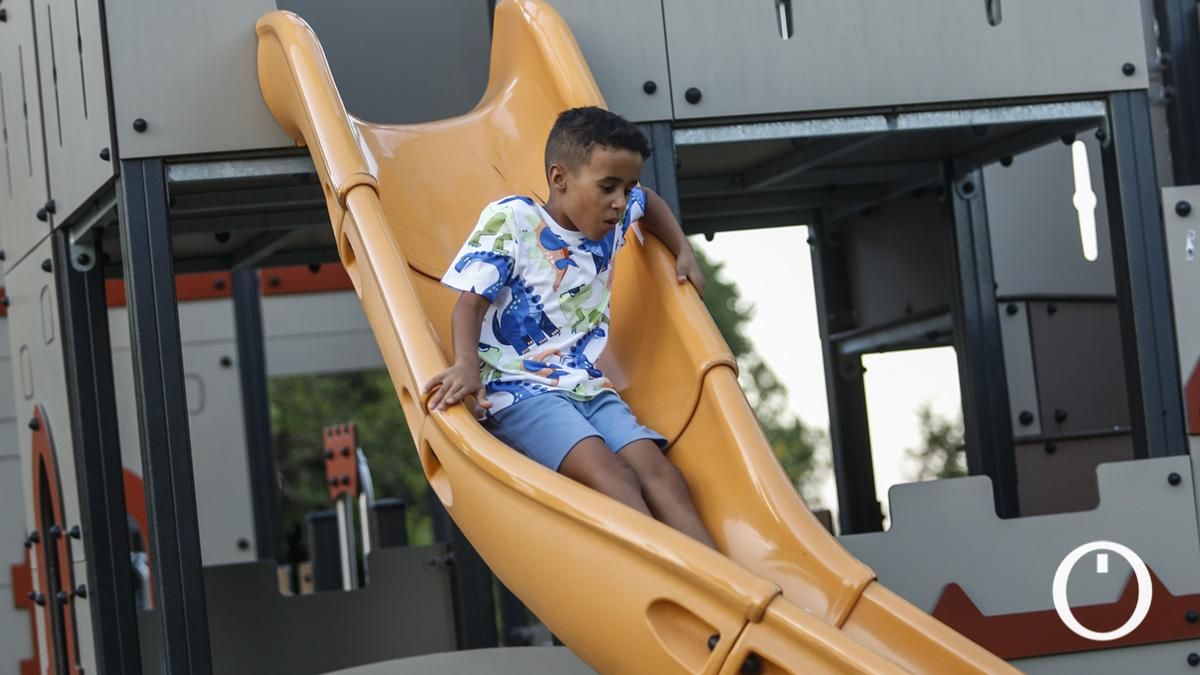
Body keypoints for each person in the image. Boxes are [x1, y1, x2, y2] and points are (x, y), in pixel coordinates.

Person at [423, 106, 715, 547]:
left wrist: (682, 248)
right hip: (518, 389)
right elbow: (469, 304)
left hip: (585, 385)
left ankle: (726, 585)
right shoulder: (515, 221)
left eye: (626, 186)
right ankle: (674, 580)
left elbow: (649, 202)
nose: (620, 201)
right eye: (607, 187)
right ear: (560, 179)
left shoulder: (611, 221)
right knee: (613, 477)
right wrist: (466, 365)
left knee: (662, 474)